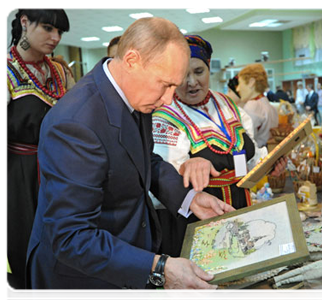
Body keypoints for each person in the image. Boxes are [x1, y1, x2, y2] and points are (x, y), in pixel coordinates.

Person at [26, 18, 235, 300]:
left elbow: (143, 159)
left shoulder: (138, 94)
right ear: (133, 60)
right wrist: (159, 267)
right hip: (82, 280)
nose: (169, 100)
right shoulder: (75, 123)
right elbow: (70, 237)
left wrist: (189, 200)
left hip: (123, 259)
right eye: (165, 85)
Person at [152, 35, 286, 257]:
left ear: (208, 70)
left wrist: (268, 166)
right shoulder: (165, 116)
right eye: (183, 74)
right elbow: (159, 181)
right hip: (196, 222)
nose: (192, 81)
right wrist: (186, 167)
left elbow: (247, 161)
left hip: (240, 211)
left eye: (198, 71)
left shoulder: (229, 106)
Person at [5, 8, 73, 300]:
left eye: (59, 32)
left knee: (66, 244)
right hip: (18, 177)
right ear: (24, 23)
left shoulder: (58, 71)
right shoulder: (5, 71)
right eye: (47, 28)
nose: (55, 38)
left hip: (60, 170)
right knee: (25, 247)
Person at [236, 63, 279, 148]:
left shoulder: (252, 106)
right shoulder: (270, 106)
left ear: (251, 82)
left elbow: (244, 139)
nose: (238, 89)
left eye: (240, 83)